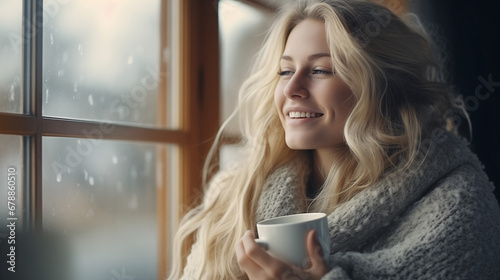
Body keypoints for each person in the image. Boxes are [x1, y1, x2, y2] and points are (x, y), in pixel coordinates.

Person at [168, 0, 500, 279]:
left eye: (320, 70)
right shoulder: (236, 193)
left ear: (385, 87)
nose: (292, 89)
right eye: (285, 71)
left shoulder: (459, 205)